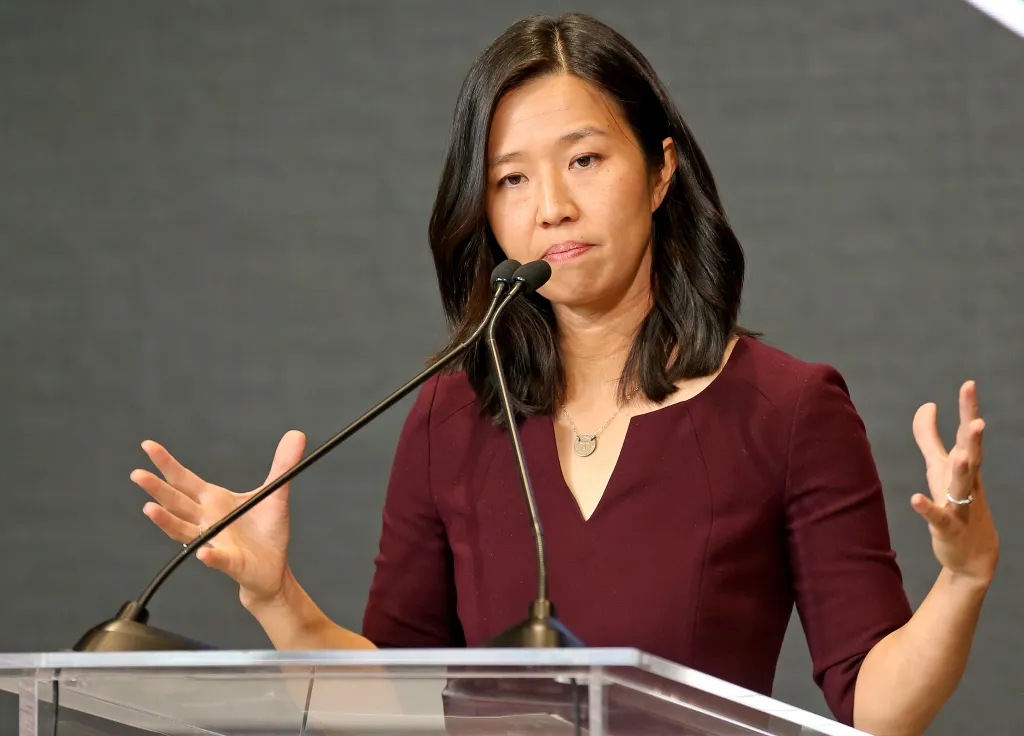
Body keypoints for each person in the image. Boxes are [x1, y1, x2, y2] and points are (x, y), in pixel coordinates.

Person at [130, 13, 999, 734]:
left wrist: (962, 577)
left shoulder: (786, 409)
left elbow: (878, 709)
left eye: (584, 160)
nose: (552, 207)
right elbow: (396, 696)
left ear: (659, 171)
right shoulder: (450, 417)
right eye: (511, 179)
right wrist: (279, 599)